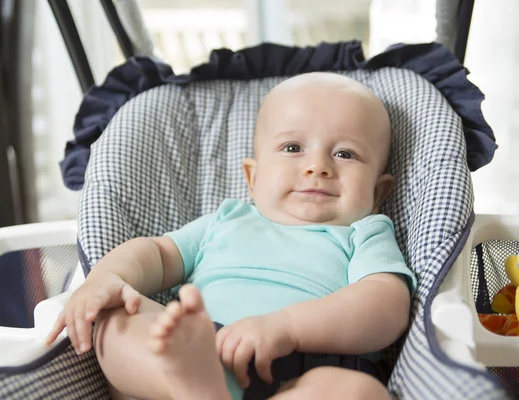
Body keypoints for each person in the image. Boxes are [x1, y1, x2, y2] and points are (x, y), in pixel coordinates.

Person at [46, 72, 417, 400]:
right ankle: (197, 387)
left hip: (307, 368)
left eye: (345, 154)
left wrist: (288, 326)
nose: (317, 166)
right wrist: (108, 278)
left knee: (359, 393)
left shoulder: (364, 233)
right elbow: (156, 253)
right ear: (253, 178)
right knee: (115, 319)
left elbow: (386, 304)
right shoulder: (226, 220)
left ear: (378, 193)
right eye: (293, 148)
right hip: (198, 349)